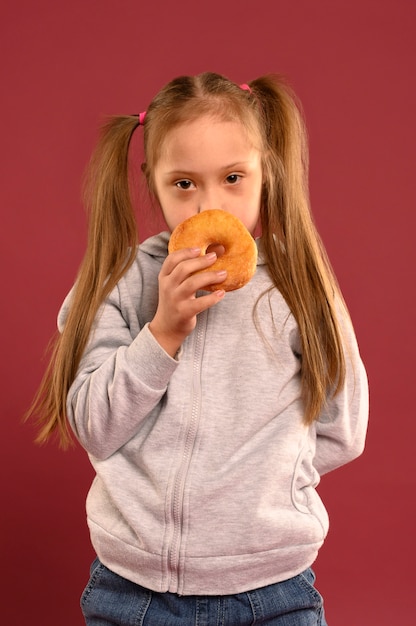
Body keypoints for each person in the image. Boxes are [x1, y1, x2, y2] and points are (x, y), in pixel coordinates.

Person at [27, 72, 369, 625]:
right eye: (183, 184)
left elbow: (344, 427)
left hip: (274, 592)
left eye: (233, 177)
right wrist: (162, 331)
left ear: (266, 172)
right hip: (134, 593)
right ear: (151, 181)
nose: (211, 204)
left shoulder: (299, 286)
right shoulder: (120, 282)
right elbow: (91, 424)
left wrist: (263, 484)